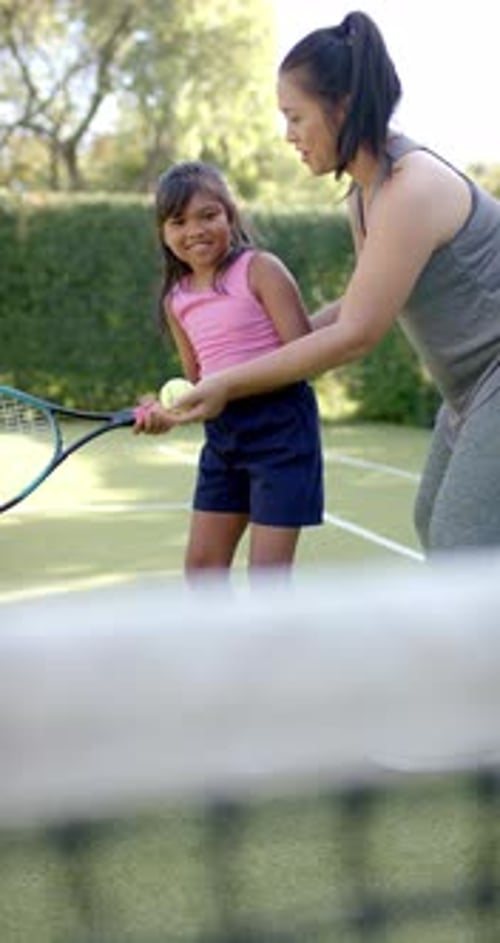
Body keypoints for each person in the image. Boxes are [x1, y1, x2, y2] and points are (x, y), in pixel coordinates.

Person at [154, 10, 500, 556]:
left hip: (494, 377)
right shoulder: (368, 195)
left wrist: (230, 381)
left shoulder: (412, 189)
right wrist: (244, 361)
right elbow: (359, 304)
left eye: (295, 117)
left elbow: (358, 334)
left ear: (340, 108)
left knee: (462, 542)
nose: (288, 135)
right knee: (435, 523)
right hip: (470, 391)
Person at [135, 160, 323, 578]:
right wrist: (168, 412)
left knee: (267, 578)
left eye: (208, 215)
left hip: (282, 431)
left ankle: (273, 646)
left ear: (230, 216)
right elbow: (199, 384)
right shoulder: (175, 300)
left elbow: (306, 355)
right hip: (224, 438)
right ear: (164, 234)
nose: (194, 230)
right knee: (202, 570)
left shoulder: (261, 269)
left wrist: (231, 387)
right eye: (178, 221)